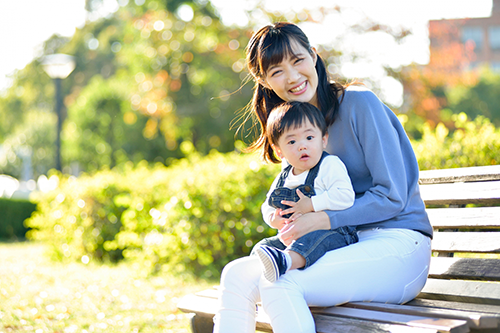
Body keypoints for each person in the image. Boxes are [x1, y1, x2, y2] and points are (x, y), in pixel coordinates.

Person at [214, 22, 433, 333]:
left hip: (398, 243)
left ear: (313, 55)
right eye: (276, 71)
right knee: (236, 275)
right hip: (340, 246)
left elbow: (393, 196)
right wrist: (286, 219)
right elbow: (301, 204)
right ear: (263, 80)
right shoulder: (292, 130)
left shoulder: (360, 104)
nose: (292, 76)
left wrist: (322, 219)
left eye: (298, 60)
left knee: (282, 282)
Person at [254, 101, 357, 283]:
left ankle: (285, 261)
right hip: (295, 234)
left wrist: (311, 204)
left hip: (334, 232)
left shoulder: (329, 164)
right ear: (279, 151)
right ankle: (255, 276)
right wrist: (273, 217)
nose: (302, 146)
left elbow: (346, 196)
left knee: (313, 240)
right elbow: (267, 204)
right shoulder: (284, 176)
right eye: (292, 141)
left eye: (309, 138)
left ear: (323, 140)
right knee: (263, 246)